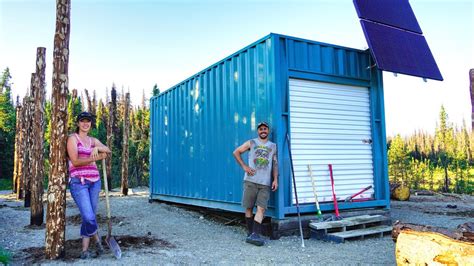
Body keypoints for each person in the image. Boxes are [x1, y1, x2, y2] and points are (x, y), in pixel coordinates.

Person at [67, 111, 111, 259]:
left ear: (91, 124)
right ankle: (98, 241)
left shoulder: (93, 140)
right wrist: (98, 156)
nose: (86, 124)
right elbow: (75, 161)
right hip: (79, 182)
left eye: (88, 121)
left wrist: (97, 148)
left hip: (94, 182)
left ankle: (84, 250)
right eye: (83, 121)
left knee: (89, 216)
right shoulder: (73, 139)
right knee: (89, 215)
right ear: (78, 123)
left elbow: (108, 150)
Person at [233, 121, 278, 246]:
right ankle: (250, 232)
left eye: (265, 129)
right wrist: (244, 166)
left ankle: (255, 235)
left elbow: (275, 163)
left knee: (261, 208)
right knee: (248, 207)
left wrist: (275, 179)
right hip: (250, 181)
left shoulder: (273, 146)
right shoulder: (251, 142)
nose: (263, 131)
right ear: (258, 131)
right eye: (261, 129)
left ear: (268, 131)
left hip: (265, 183)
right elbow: (236, 152)